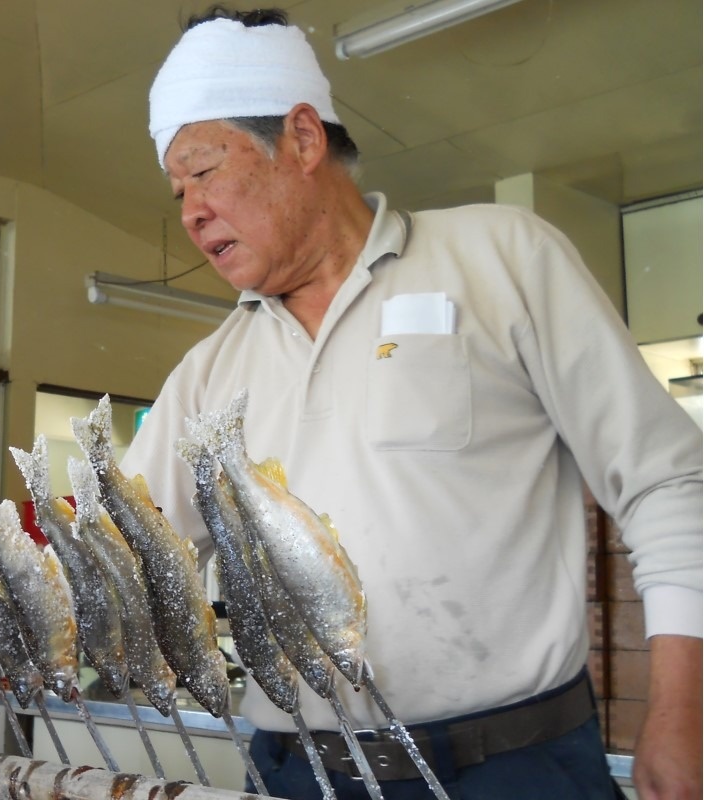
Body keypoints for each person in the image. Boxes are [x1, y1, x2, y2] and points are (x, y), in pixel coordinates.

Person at [122, 7, 701, 799]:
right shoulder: (208, 373)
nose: (190, 211)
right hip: (298, 774)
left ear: (302, 138)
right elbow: (122, 557)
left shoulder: (500, 258)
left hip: (511, 768)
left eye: (205, 171)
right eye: (178, 189)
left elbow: (667, 480)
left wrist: (684, 710)